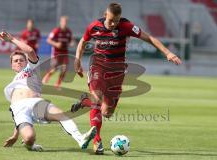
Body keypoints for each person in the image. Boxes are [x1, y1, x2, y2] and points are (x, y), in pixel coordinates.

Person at [71, 2, 182, 154]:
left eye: (116, 21)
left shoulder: (126, 26)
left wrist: (168, 53)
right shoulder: (94, 27)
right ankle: (97, 142)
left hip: (117, 72)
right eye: (110, 20)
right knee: (97, 98)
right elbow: (83, 42)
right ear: (105, 15)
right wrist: (77, 60)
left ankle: (85, 101)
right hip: (98, 66)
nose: (113, 24)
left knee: (106, 113)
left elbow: (149, 38)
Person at [0, 31, 96, 151]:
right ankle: (30, 145)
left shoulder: (32, 68)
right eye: (15, 61)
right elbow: (15, 113)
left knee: (61, 115)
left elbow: (30, 51)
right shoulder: (11, 85)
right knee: (29, 138)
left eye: (21, 60)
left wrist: (12, 39)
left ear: (26, 62)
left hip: (36, 103)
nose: (18, 62)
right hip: (19, 109)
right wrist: (15, 135)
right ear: (11, 66)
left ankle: (81, 138)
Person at [42, 16, 74, 88]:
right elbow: (48, 40)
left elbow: (71, 40)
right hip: (56, 52)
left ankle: (57, 84)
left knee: (64, 69)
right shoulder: (56, 31)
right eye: (63, 22)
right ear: (60, 22)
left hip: (65, 52)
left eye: (65, 22)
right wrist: (56, 44)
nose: (64, 23)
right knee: (54, 69)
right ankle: (47, 76)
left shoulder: (68, 32)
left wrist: (72, 43)